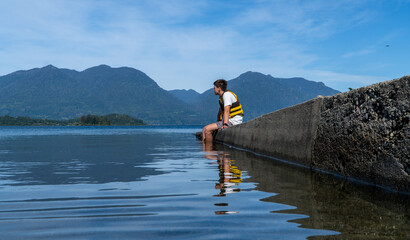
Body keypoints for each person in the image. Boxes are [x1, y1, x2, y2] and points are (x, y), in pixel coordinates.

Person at [202, 79, 244, 143]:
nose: (213, 89)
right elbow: (220, 112)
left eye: (214, 88)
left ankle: (209, 150)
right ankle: (205, 150)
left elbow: (226, 111)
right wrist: (218, 122)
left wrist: (225, 124)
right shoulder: (221, 98)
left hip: (234, 121)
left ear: (219, 88)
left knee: (207, 129)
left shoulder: (227, 95)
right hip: (229, 120)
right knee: (204, 129)